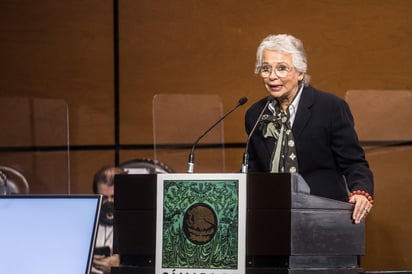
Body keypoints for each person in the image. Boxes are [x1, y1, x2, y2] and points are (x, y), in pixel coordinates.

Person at [245, 34, 374, 224]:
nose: (272, 76)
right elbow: (253, 171)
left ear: (300, 72)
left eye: (282, 68)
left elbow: (354, 163)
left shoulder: (330, 107)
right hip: (273, 219)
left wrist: (361, 192)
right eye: (266, 68)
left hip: (325, 218)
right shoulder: (255, 114)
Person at [91, 166, 125, 274]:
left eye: (114, 197)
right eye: (104, 198)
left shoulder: (140, 226)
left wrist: (121, 266)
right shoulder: (86, 223)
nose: (110, 202)